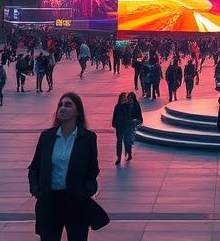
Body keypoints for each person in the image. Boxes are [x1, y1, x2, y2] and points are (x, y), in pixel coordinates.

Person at [28, 92, 101, 241]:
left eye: (68, 105)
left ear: (77, 111)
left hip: (75, 202)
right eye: (60, 105)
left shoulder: (87, 138)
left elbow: (92, 170)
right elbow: (35, 167)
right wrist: (36, 189)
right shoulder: (47, 137)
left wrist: (87, 190)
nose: (62, 108)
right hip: (49, 201)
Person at [111, 91, 142, 165]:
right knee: (119, 141)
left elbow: (131, 115)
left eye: (126, 98)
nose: (126, 99)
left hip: (126, 126)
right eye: (124, 97)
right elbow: (114, 115)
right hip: (119, 126)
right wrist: (114, 124)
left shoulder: (128, 106)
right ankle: (118, 157)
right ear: (121, 98)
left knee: (126, 141)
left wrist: (134, 121)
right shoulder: (117, 106)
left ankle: (129, 153)